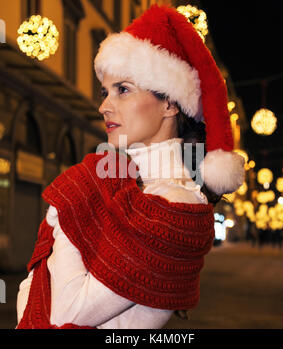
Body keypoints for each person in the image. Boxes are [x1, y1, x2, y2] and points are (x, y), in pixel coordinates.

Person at [16, 4, 245, 329]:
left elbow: (64, 315)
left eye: (123, 90)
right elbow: (26, 298)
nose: (104, 106)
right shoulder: (129, 188)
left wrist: (67, 204)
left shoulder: (175, 203)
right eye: (105, 92)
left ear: (170, 103)